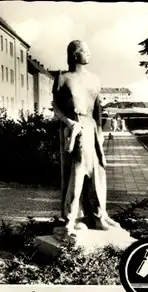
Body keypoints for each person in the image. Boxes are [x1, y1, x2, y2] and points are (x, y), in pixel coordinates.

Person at [52, 40, 120, 237]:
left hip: (91, 128)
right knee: (78, 170)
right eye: (85, 51)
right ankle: (72, 217)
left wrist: (100, 134)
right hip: (75, 127)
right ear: (74, 54)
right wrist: (68, 122)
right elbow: (55, 107)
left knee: (98, 171)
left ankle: (99, 215)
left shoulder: (95, 79)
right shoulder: (62, 78)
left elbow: (98, 110)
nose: (89, 54)